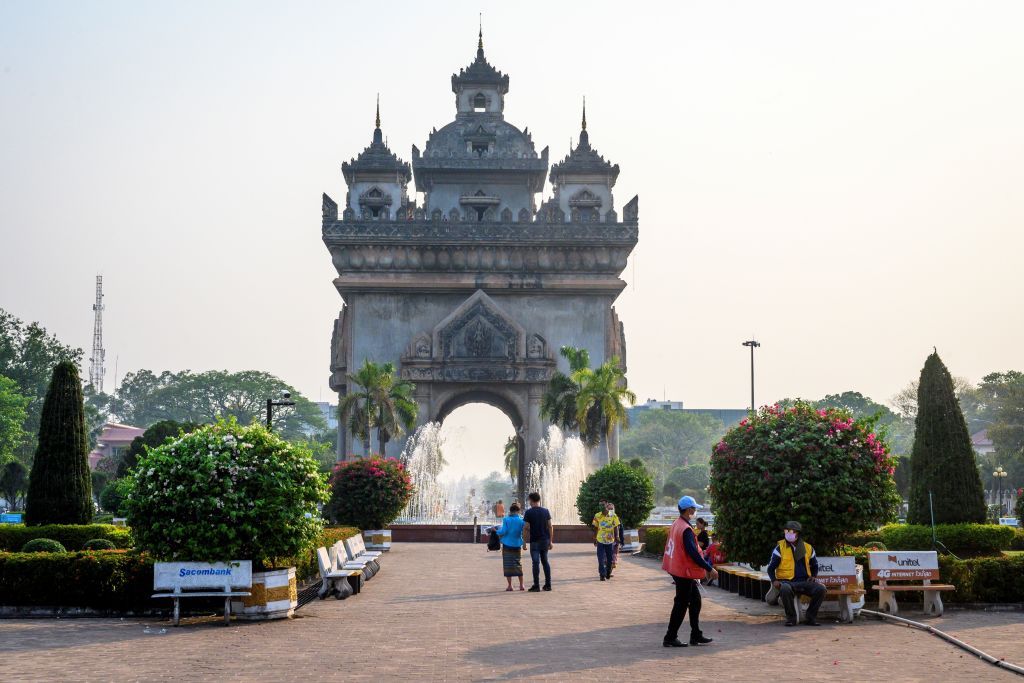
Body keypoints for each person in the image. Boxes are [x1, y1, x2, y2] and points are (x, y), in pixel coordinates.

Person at [662, 495, 717, 648]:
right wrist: (709, 568)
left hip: (678, 568)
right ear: (688, 509)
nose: (695, 511)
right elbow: (692, 552)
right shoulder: (685, 529)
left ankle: (696, 634)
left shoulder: (677, 524)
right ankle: (670, 637)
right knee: (681, 604)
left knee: (695, 601)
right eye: (693, 508)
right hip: (683, 571)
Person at [765, 520, 826, 626]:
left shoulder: (808, 547)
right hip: (787, 582)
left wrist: (813, 576)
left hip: (804, 581)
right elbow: (770, 568)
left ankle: (810, 617)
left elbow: (815, 565)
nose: (788, 533)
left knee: (821, 589)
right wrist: (774, 580)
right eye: (786, 531)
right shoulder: (779, 548)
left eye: (791, 531)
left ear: (798, 533)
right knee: (785, 589)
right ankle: (791, 619)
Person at [522, 491, 553, 592]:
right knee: (545, 562)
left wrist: (524, 542)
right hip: (545, 540)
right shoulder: (546, 511)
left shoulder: (529, 512)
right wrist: (551, 541)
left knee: (535, 563)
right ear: (539, 500)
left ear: (531, 500)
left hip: (535, 541)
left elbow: (526, 527)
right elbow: (550, 526)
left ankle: (536, 585)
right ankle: (548, 585)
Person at [494, 502, 526, 591]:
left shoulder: (506, 519)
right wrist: (524, 543)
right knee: (518, 564)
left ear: (510, 511)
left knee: (507, 565)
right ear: (518, 511)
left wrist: (495, 531)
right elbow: (524, 532)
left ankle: (510, 586)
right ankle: (521, 585)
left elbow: (503, 531)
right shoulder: (521, 520)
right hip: (517, 544)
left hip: (507, 544)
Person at [592, 501, 620, 581]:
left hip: (610, 541)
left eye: (603, 504)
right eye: (599, 505)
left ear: (606, 505)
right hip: (600, 540)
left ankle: (608, 572)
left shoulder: (612, 515)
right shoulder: (597, 515)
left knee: (609, 559)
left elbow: (616, 526)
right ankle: (602, 574)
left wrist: (617, 536)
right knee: (600, 559)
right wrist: (594, 538)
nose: (601, 506)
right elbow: (595, 527)